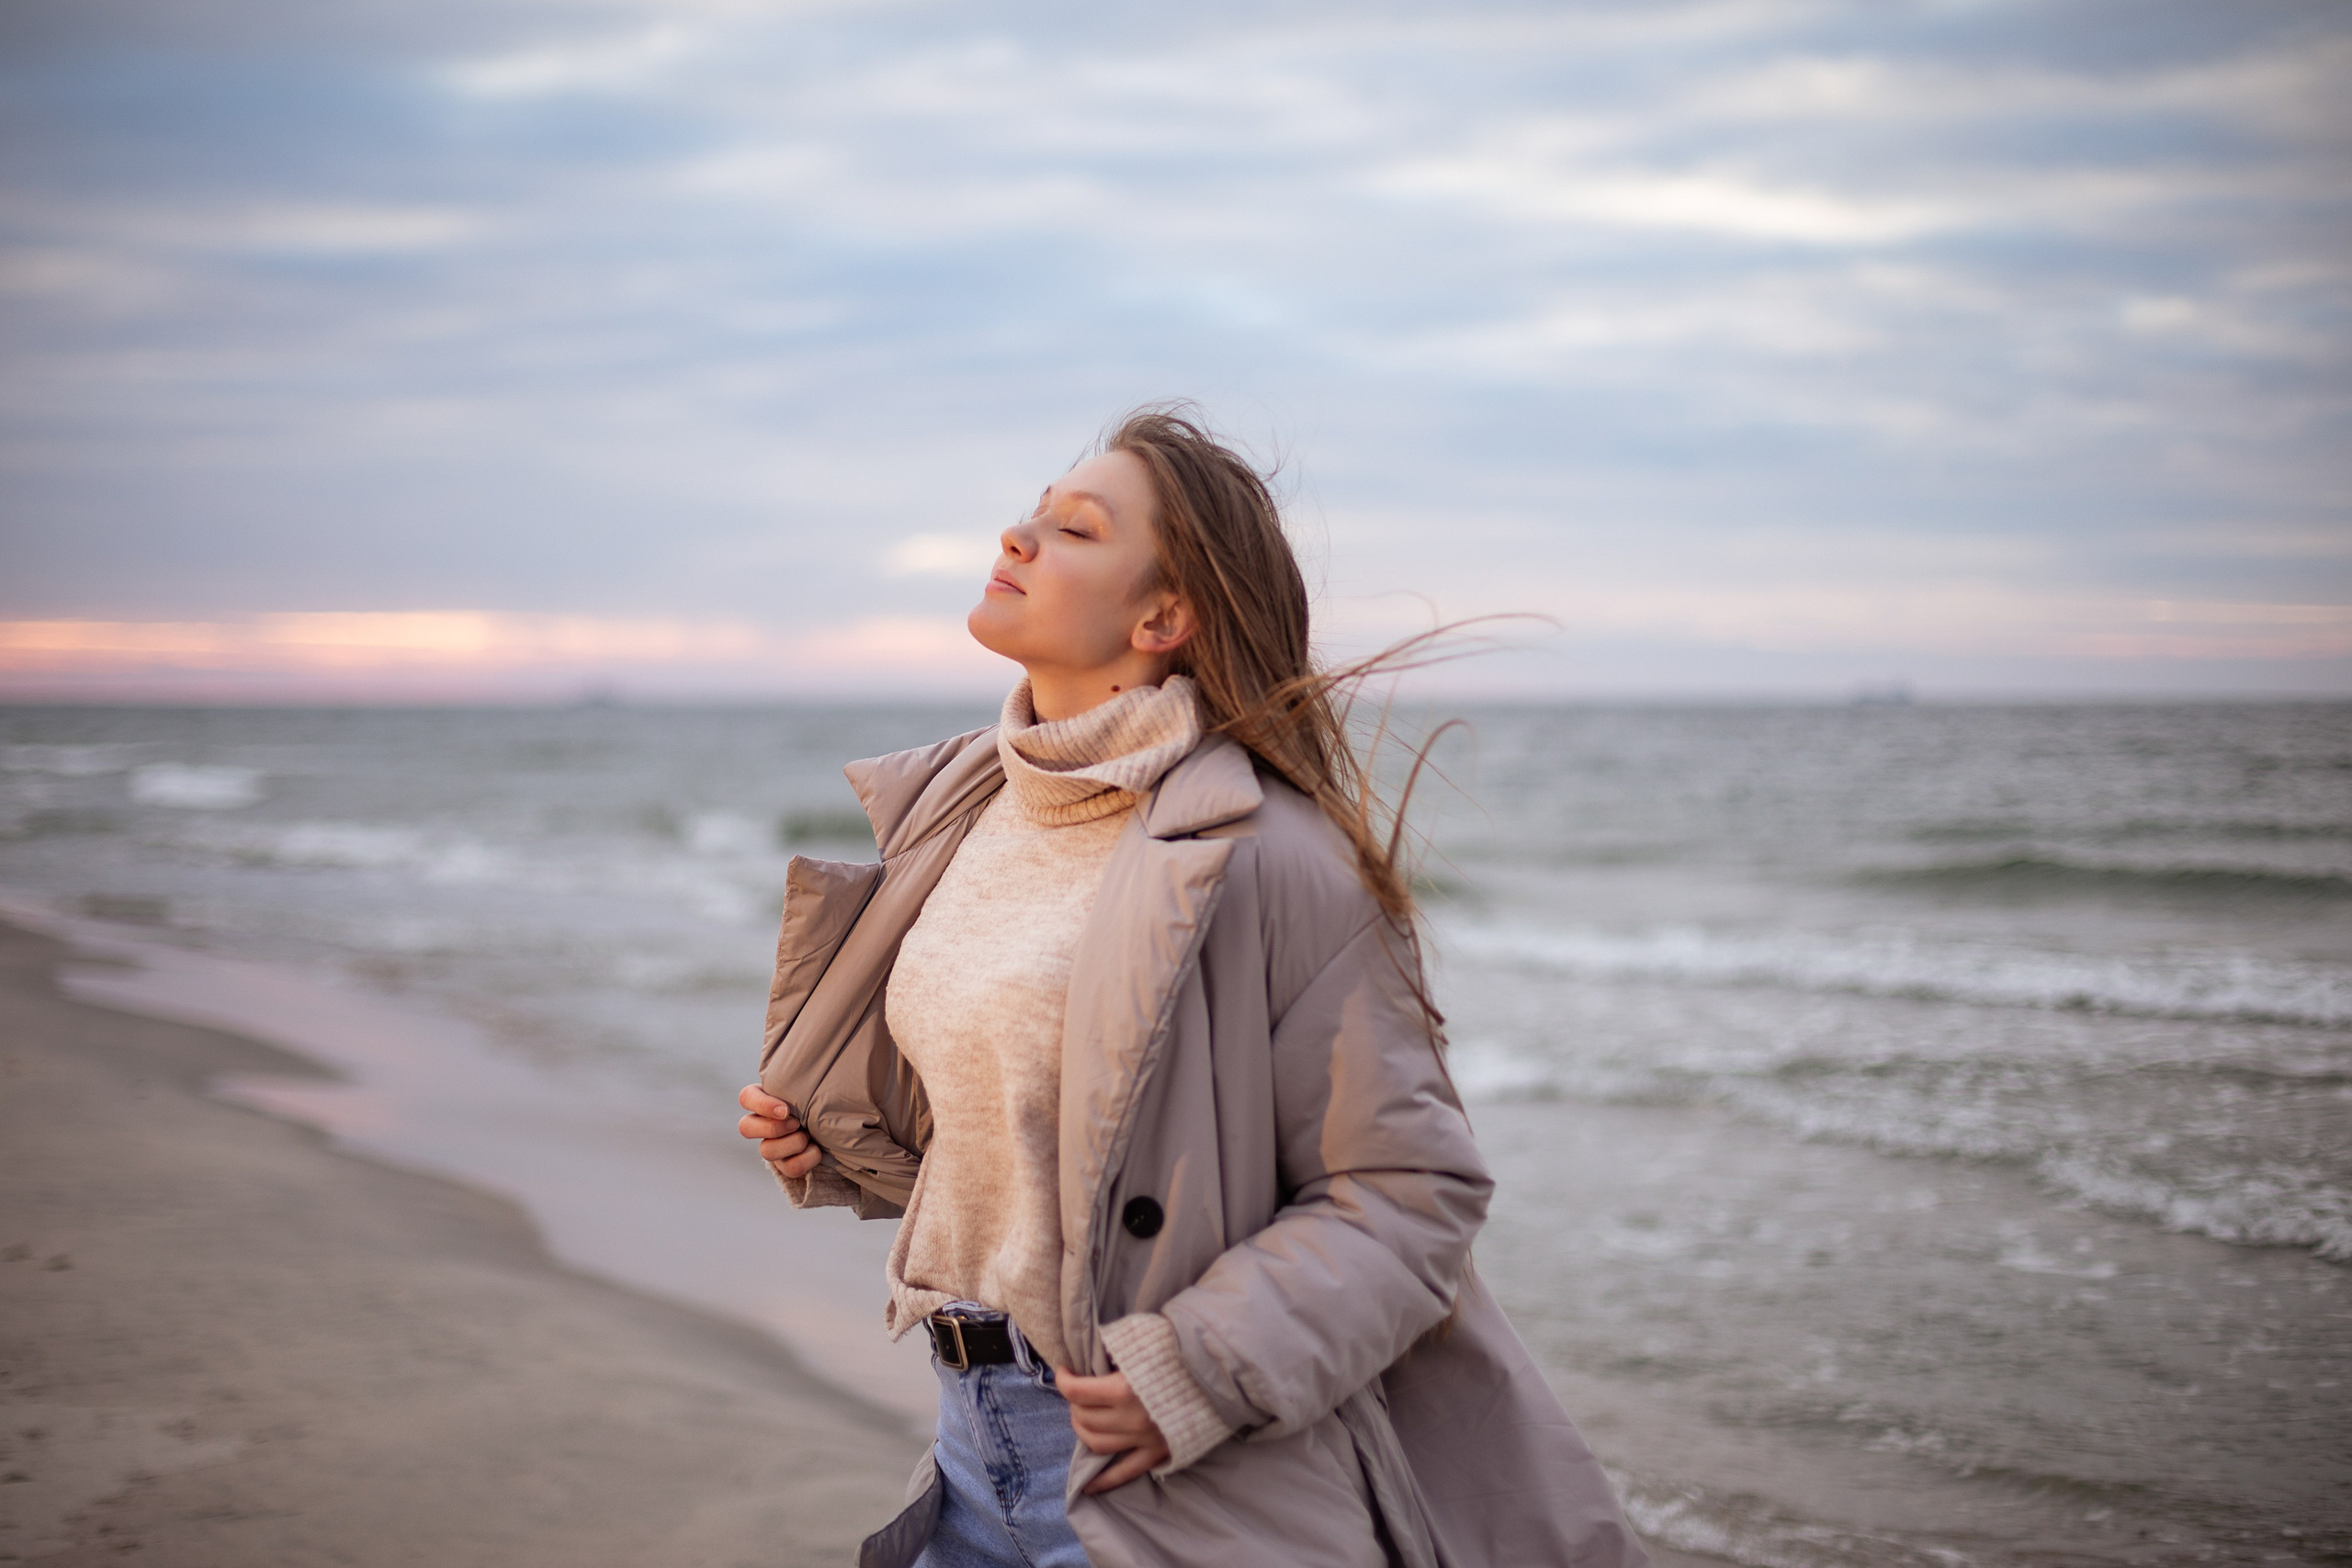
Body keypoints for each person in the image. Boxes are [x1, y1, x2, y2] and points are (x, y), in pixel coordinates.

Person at [735, 407, 1646, 1568]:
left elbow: (1412, 1191)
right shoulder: (962, 812)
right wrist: (835, 1151)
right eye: (1031, 512)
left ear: (1162, 617)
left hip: (1170, 1478)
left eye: (1071, 528)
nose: (1016, 537)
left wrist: (1201, 1366)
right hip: (966, 1445)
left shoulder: (1268, 857)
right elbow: (1050, 1146)